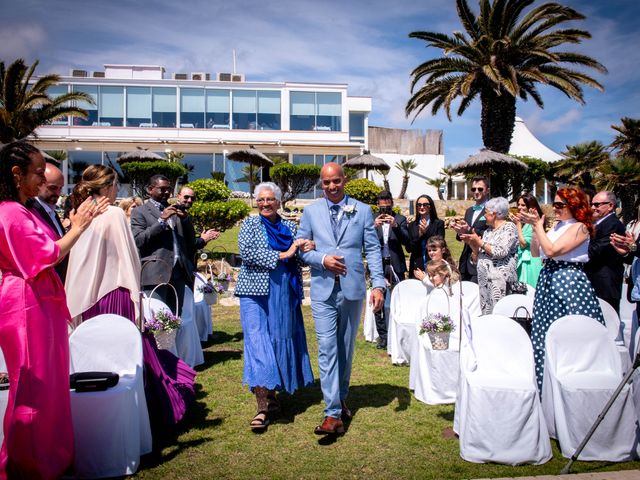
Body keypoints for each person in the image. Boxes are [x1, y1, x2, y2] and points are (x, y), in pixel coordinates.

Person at [64, 165, 196, 440]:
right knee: (127, 358)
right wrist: (134, 296)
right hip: (115, 293)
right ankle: (142, 413)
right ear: (110, 186)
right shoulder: (112, 213)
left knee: (95, 356)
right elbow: (128, 257)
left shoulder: (79, 212)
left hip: (87, 298)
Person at [0, 141, 107, 479]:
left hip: (38, 300)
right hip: (24, 303)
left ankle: (51, 458)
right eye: (36, 173)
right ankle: (29, 464)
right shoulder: (9, 211)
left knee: (50, 385)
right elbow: (45, 255)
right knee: (34, 387)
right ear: (16, 174)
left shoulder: (23, 208)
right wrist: (79, 227)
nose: (40, 180)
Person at [297, 163, 385, 436]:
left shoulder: (362, 210)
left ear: (344, 180)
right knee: (326, 347)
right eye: (326, 183)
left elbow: (372, 249)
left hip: (352, 288)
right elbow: (300, 248)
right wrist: (322, 259)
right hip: (322, 290)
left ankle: (341, 395)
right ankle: (332, 413)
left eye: (336, 181)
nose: (332, 187)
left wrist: (378, 284)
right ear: (320, 184)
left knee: (345, 349)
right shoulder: (310, 212)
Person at [234, 182, 315, 431]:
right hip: (253, 292)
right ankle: (262, 407)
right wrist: (283, 254)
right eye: (261, 200)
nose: (265, 204)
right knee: (257, 342)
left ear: (279, 202)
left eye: (270, 199)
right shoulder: (249, 224)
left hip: (282, 292)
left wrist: (307, 248)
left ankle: (272, 396)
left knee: (278, 341)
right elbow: (246, 252)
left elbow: (299, 255)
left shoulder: (290, 227)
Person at [520, 186, 605, 392]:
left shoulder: (580, 228)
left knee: (569, 329)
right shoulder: (557, 226)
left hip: (568, 281)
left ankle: (571, 385)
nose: (555, 208)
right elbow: (536, 252)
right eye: (554, 204)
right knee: (544, 329)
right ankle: (545, 384)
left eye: (559, 205)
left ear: (573, 206)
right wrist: (538, 228)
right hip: (548, 279)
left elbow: (552, 251)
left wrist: (538, 227)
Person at [131, 175, 194, 315]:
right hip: (155, 272)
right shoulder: (139, 212)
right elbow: (139, 240)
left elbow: (190, 240)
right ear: (150, 189)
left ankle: (175, 338)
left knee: (176, 315)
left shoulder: (175, 209)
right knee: (157, 317)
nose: (167, 192)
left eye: (169, 189)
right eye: (162, 189)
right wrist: (161, 220)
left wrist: (185, 220)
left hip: (178, 271)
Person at [460, 197, 518, 315]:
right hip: (484, 282)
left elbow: (500, 251)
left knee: (499, 315)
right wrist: (472, 244)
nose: (484, 216)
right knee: (487, 316)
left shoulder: (509, 227)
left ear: (494, 214)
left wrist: (479, 241)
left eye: (485, 213)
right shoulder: (488, 232)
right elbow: (478, 256)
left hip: (500, 283)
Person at [373, 190, 409, 349]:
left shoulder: (400, 219)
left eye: (387, 208)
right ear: (378, 206)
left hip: (396, 264)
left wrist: (395, 226)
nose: (385, 212)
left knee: (398, 301)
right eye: (382, 208)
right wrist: (374, 227)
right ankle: (383, 336)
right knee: (378, 301)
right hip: (378, 264)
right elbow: (364, 241)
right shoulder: (372, 220)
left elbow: (408, 243)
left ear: (392, 205)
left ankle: (397, 334)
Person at [584, 191, 626, 314]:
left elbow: (596, 251)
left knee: (608, 324)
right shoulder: (596, 223)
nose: (593, 208)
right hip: (595, 282)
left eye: (597, 205)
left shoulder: (612, 225)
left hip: (605, 285)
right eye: (592, 204)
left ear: (611, 206)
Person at [30, 162, 69, 281]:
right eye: (52, 187)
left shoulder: (52, 212)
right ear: (39, 184)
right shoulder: (31, 211)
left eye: (60, 188)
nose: (57, 192)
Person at [453, 176, 491, 282]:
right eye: (474, 189)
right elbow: (462, 236)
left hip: (481, 259)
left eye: (480, 189)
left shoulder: (491, 210)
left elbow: (491, 233)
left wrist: (469, 229)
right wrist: (460, 231)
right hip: (465, 260)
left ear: (487, 190)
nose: (476, 192)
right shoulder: (469, 211)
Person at [175, 186, 220, 267]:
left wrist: (203, 236)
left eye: (192, 198)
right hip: (181, 265)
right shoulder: (177, 214)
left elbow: (188, 238)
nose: (189, 200)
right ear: (178, 196)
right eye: (186, 197)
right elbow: (186, 243)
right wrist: (204, 239)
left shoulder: (184, 212)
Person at [510, 193, 543, 288]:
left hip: (530, 262)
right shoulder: (524, 223)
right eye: (518, 204)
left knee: (529, 290)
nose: (519, 207)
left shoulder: (532, 223)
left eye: (523, 205)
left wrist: (518, 225)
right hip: (521, 261)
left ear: (531, 207)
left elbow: (523, 243)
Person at [407, 194, 444, 278]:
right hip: (417, 264)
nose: (422, 207)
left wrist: (426, 233)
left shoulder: (438, 223)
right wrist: (419, 235)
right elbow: (409, 248)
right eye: (419, 205)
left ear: (430, 207)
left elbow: (440, 244)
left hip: (434, 264)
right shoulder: (412, 225)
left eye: (425, 205)